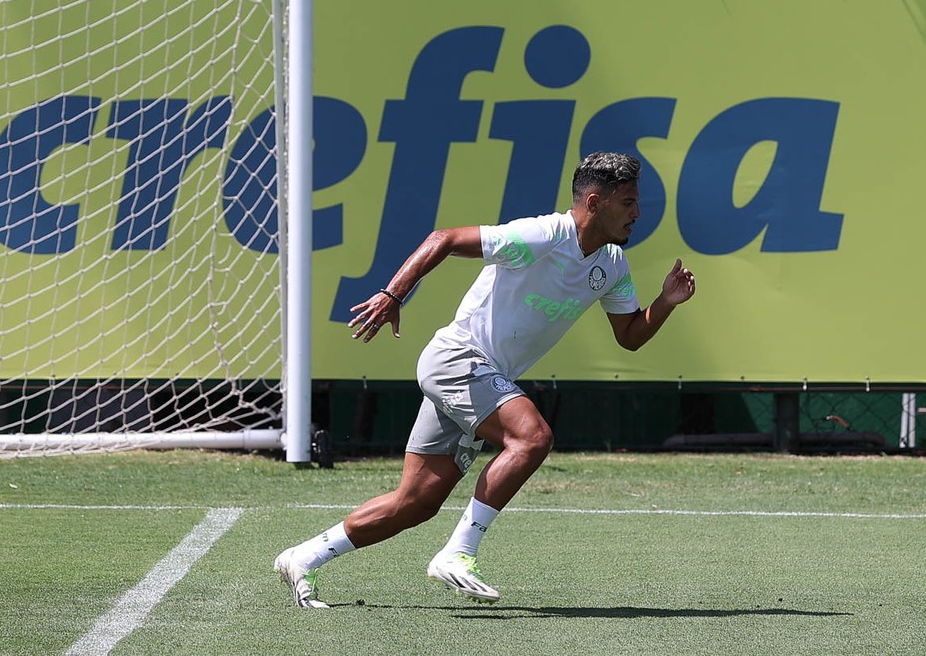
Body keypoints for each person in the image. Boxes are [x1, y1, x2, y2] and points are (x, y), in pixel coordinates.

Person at [274, 151, 696, 608]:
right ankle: (459, 552)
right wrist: (393, 294)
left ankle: (303, 557)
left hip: (482, 376)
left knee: (416, 501)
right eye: (629, 202)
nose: (638, 213)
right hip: (459, 359)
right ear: (594, 203)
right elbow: (445, 238)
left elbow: (630, 336)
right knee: (532, 438)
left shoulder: (612, 265)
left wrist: (666, 302)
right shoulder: (541, 235)